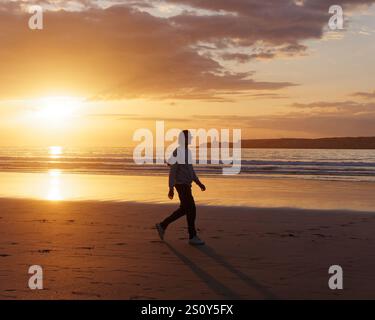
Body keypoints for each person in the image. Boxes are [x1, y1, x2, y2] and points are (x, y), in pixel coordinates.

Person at [156, 130, 206, 245]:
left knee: (185, 209)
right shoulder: (178, 152)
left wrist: (198, 183)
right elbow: (173, 171)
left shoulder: (187, 151)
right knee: (191, 209)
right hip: (181, 185)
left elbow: (190, 169)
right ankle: (192, 236)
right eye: (190, 137)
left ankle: (162, 225)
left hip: (187, 185)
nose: (192, 139)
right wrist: (171, 187)